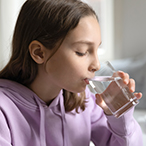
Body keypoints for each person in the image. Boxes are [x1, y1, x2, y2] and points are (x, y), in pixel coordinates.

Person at [0, 0, 143, 146]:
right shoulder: (3, 109)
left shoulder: (84, 101)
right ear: (39, 53)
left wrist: (121, 117)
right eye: (82, 52)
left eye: (96, 50)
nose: (97, 65)